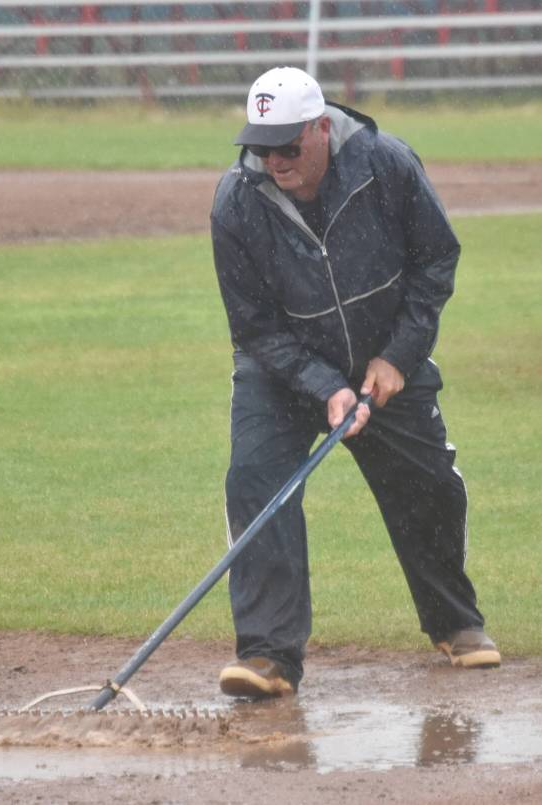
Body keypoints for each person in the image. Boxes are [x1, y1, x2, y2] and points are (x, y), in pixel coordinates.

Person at [210, 66, 500, 699]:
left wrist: (398, 356)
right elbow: (252, 326)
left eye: (289, 145)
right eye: (263, 146)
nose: (275, 160)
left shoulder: (385, 164)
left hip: (384, 358)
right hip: (280, 371)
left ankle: (455, 622)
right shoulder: (235, 201)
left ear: (321, 129)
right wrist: (322, 385)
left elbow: (435, 260)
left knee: (428, 489)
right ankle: (267, 655)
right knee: (257, 485)